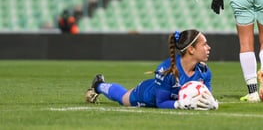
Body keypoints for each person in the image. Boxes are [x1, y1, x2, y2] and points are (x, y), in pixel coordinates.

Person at [85, 29, 218, 110]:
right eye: (204, 44)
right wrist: (180, 104)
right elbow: (161, 103)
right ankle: (98, 85)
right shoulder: (166, 69)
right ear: (191, 49)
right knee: (122, 98)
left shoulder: (205, 72)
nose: (209, 48)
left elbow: (206, 97)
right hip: (147, 95)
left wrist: (211, 104)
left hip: (167, 94)